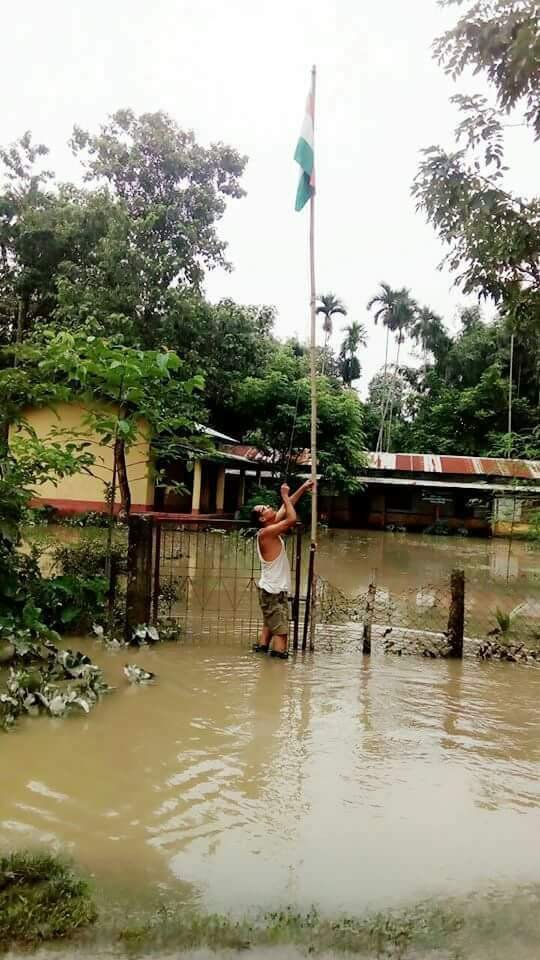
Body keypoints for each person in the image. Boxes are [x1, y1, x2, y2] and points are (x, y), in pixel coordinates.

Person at [251, 479, 314, 658]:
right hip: (272, 591)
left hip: (271, 589)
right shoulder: (266, 533)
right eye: (265, 508)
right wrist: (284, 495)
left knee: (270, 625)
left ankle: (261, 653)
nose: (270, 507)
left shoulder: (269, 528)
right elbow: (292, 518)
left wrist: (302, 487)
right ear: (263, 518)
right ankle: (277, 669)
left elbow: (287, 507)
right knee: (282, 632)